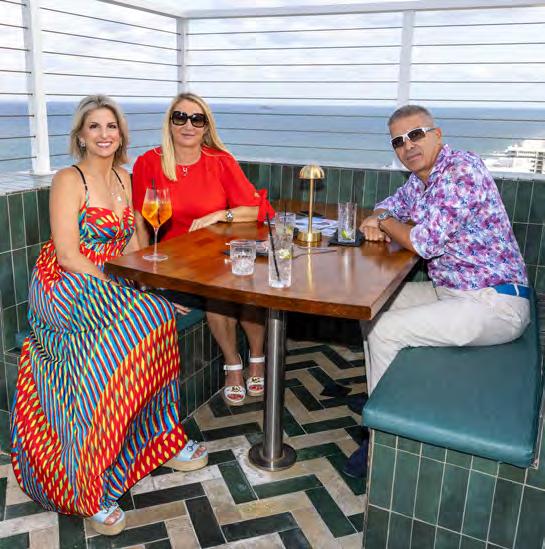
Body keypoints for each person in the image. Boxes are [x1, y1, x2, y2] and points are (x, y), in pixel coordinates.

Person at [10, 95, 207, 537]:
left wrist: (151, 285)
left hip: (112, 277)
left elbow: (136, 242)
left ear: (121, 134)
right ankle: (89, 480)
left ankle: (159, 439)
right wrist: (123, 288)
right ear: (81, 135)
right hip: (66, 282)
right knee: (137, 325)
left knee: (159, 315)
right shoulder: (69, 179)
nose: (104, 134)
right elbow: (67, 253)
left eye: (111, 126)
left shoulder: (126, 177)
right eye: (94, 127)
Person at [344, 104, 530, 479]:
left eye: (416, 135)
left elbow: (422, 242)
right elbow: (389, 206)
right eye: (398, 141)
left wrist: (385, 221)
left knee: (385, 330)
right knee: (371, 309)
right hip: (454, 291)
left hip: (496, 301)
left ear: (437, 135)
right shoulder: (422, 179)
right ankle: (386, 398)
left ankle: (383, 441)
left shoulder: (461, 169)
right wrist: (382, 216)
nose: (408, 146)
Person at [132, 92, 275, 407]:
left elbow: (260, 210)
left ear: (206, 126)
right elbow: (140, 222)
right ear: (169, 123)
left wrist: (219, 214)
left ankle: (257, 358)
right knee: (218, 291)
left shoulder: (220, 161)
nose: (188, 125)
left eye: (197, 119)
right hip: (174, 266)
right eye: (180, 117)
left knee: (246, 285)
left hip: (217, 256)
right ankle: (232, 364)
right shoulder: (148, 163)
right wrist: (146, 281)